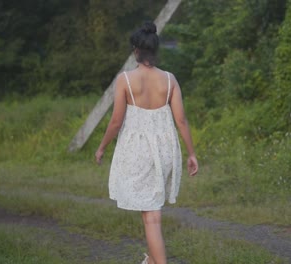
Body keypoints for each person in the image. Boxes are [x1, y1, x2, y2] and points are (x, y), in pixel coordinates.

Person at [95, 21, 198, 264]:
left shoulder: (126, 80)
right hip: (164, 150)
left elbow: (116, 121)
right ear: (155, 50)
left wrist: (101, 147)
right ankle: (151, 260)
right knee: (152, 211)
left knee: (151, 217)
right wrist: (191, 154)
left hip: (138, 151)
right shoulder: (170, 80)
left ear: (136, 51)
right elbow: (181, 120)